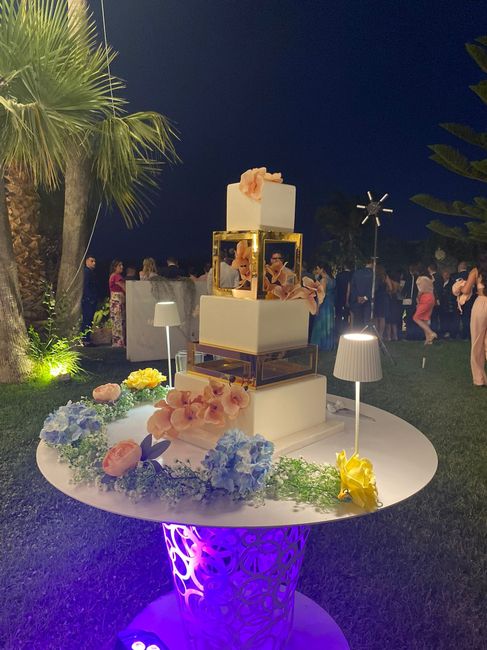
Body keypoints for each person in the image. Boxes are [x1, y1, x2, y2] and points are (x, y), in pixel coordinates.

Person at [461, 251, 487, 386]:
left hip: (481, 303)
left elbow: (466, 290)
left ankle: (479, 379)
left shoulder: (475, 271)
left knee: (477, 341)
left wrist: (460, 287)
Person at [310, 263, 335, 351]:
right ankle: (328, 343)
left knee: (321, 323)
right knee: (327, 323)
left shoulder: (324, 280)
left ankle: (320, 344)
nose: (317, 270)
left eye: (317, 268)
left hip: (324, 303)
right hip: (330, 303)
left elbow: (322, 295)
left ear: (322, 269)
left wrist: (318, 307)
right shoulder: (332, 279)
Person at [413, 272, 437, 344]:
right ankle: (428, 340)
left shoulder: (421, 280)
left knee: (416, 318)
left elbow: (421, 291)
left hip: (425, 299)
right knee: (425, 319)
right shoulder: (429, 281)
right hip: (431, 298)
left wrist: (418, 298)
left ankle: (431, 333)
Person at [350, 260, 373, 328]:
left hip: (357, 301)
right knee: (366, 322)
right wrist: (365, 298)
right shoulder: (373, 274)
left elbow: (352, 287)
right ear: (371, 263)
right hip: (368, 302)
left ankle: (357, 333)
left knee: (357, 321)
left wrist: (357, 297)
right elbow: (374, 288)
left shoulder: (356, 273)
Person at [455, 261, 474, 339]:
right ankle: (469, 334)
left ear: (459, 267)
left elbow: (454, 289)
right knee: (469, 317)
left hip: (460, 299)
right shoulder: (471, 276)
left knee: (461, 318)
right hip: (470, 299)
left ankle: (462, 334)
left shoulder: (456, 276)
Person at [109, 260, 126, 347]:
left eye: (122, 265)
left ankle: (117, 341)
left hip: (116, 301)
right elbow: (124, 287)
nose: (122, 267)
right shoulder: (116, 276)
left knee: (117, 321)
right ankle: (119, 342)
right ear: (115, 267)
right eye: (119, 265)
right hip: (117, 302)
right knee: (118, 321)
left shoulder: (114, 276)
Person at [81, 256, 97, 345]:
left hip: (90, 299)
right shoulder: (87, 272)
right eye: (92, 261)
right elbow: (86, 285)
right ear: (86, 262)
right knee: (87, 319)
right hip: (88, 300)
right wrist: (89, 297)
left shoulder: (90, 272)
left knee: (89, 319)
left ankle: (87, 338)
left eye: (94, 261)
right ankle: (85, 339)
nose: (94, 263)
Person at [438, 269, 459, 339]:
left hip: (450, 304)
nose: (445, 276)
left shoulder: (452, 283)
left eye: (447, 275)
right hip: (442, 304)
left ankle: (451, 333)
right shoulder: (440, 283)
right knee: (443, 319)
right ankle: (444, 332)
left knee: (450, 319)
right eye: (444, 275)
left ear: (449, 275)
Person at [402, 263, 421, 339]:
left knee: (409, 317)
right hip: (416, 300)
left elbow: (404, 288)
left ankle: (409, 335)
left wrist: (402, 293)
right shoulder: (418, 278)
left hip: (408, 299)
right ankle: (415, 334)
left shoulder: (407, 277)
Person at [335, 261, 352, 337]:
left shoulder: (339, 275)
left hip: (339, 297)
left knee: (338, 315)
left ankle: (338, 331)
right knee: (347, 316)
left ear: (344, 266)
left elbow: (336, 288)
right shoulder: (352, 275)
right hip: (349, 298)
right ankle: (345, 330)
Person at [384, 270, 403, 341]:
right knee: (394, 321)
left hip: (389, 300)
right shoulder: (397, 284)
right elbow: (400, 291)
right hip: (395, 301)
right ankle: (395, 336)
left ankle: (388, 336)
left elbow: (388, 290)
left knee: (388, 321)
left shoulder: (388, 283)